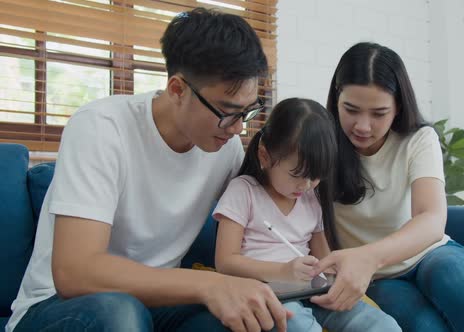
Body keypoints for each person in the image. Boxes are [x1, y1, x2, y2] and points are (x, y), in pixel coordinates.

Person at [7, 8, 292, 332]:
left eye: (248, 112)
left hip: (156, 304)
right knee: (121, 315)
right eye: (227, 112)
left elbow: (270, 211)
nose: (237, 129)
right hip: (59, 306)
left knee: (248, 318)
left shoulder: (223, 148)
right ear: (177, 90)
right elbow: (75, 272)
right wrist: (206, 284)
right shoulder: (102, 128)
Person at [309, 42, 464, 332]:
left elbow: (431, 219)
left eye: (378, 113)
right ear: (336, 99)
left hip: (429, 254)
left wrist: (369, 256)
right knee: (424, 326)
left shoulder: (418, 139)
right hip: (379, 277)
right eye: (351, 110)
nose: (363, 126)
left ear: (398, 107)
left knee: (455, 278)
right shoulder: (320, 143)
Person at [213, 98, 401, 332]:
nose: (306, 185)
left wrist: (336, 273)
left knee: (382, 325)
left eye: (316, 176)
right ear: (264, 156)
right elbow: (225, 262)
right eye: (297, 174)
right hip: (265, 293)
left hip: (311, 290)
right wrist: (282, 271)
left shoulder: (312, 197)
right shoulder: (244, 191)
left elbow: (323, 258)